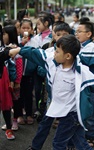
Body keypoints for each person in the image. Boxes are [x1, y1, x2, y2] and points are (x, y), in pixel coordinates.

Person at [9, 34, 94, 150]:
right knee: (81, 143)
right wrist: (19, 50)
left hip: (72, 113)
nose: (54, 53)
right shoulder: (51, 61)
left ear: (67, 56)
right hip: (56, 106)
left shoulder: (81, 72)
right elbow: (35, 53)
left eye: (57, 51)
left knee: (58, 143)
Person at [15, 22, 72, 150]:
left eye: (65, 35)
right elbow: (38, 64)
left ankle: (70, 145)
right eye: (58, 34)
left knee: (69, 124)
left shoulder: (74, 53)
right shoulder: (49, 51)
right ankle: (36, 146)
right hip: (52, 98)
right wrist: (48, 70)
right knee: (45, 123)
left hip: (69, 99)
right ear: (53, 35)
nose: (62, 37)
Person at [75, 21, 94, 147]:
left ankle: (91, 136)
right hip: (84, 84)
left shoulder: (90, 47)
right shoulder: (82, 45)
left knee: (91, 110)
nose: (76, 34)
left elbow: (83, 63)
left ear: (88, 34)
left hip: (91, 85)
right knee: (84, 109)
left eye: (79, 32)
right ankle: (83, 134)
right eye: (76, 31)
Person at [1, 25, 23, 131]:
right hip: (5, 80)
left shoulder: (10, 48)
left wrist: (15, 80)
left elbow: (15, 66)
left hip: (7, 81)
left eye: (4, 34)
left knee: (12, 102)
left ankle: (12, 123)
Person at [17, 18, 38, 125]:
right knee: (18, 94)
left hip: (29, 73)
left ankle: (29, 114)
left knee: (29, 94)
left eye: (28, 28)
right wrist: (22, 43)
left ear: (31, 30)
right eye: (23, 27)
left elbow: (36, 55)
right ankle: (19, 114)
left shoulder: (35, 41)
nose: (25, 29)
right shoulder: (16, 40)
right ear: (19, 29)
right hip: (18, 73)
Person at [0, 25, 16, 140]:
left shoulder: (4, 48)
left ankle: (9, 129)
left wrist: (11, 80)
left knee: (5, 106)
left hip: (2, 79)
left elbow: (10, 64)